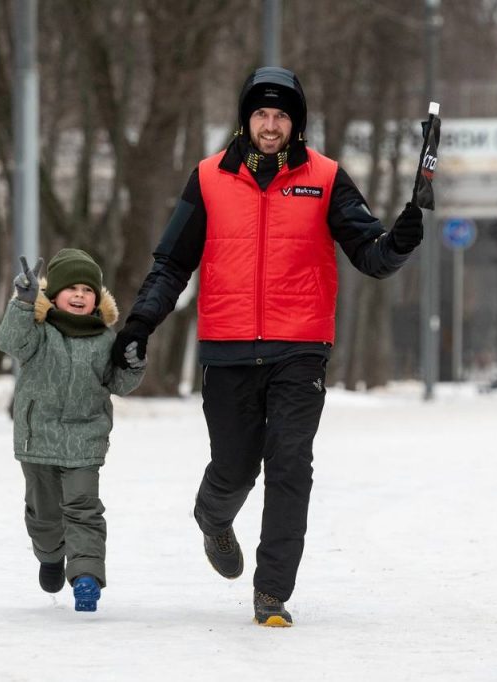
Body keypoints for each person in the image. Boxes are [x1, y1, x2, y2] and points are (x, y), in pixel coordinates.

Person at [110, 66, 424, 626]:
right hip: (227, 348)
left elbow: (371, 255)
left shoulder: (325, 177)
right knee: (233, 469)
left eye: (281, 115)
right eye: (261, 113)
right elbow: (171, 263)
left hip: (300, 346)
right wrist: (138, 326)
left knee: (289, 466)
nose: (271, 124)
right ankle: (213, 517)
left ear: (295, 123)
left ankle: (271, 593)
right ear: (246, 120)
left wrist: (400, 237)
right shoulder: (208, 178)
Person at [0, 248, 146, 613]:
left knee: (84, 510)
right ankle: (50, 556)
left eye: (88, 290)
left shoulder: (105, 338)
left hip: (84, 440)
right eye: (72, 288)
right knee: (45, 515)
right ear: (54, 294)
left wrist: (134, 364)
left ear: (97, 298)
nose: (80, 295)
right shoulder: (38, 331)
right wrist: (22, 304)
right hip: (39, 440)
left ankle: (86, 577)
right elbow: (9, 342)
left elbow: (118, 382)